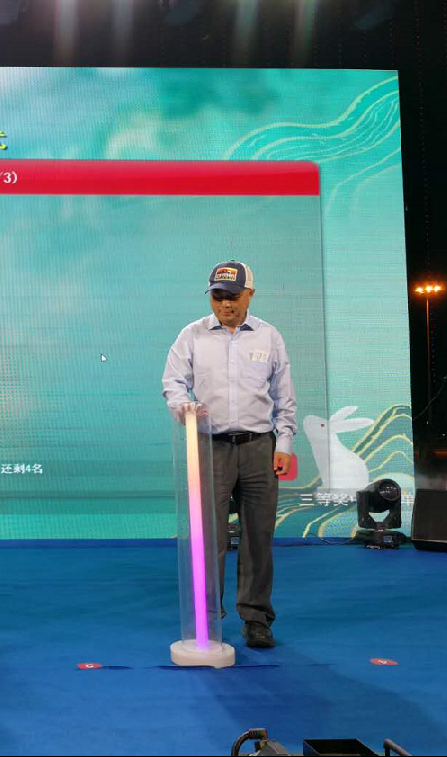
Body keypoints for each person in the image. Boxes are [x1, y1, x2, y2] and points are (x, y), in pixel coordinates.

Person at [162, 261, 297, 648]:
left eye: (233, 296)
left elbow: (283, 395)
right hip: (209, 447)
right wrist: (182, 407)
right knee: (209, 538)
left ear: (249, 294)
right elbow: (173, 382)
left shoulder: (269, 336)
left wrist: (285, 443)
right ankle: (208, 617)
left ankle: (256, 617)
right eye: (218, 296)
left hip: (259, 447)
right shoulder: (191, 335)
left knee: (259, 536)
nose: (225, 304)